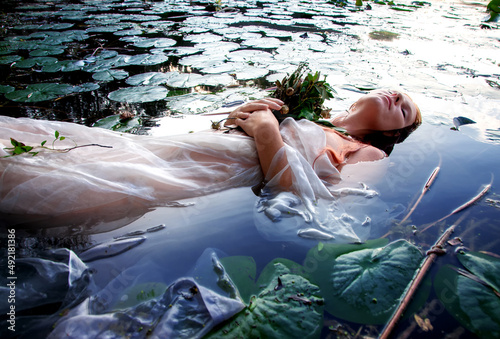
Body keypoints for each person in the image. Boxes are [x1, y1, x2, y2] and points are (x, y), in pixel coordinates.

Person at [0, 89, 421, 236]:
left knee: (59, 178)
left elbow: (311, 205)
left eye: (403, 110)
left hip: (206, 171)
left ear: (390, 135)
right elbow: (243, 133)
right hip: (188, 148)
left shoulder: (371, 154)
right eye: (398, 94)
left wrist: (266, 132)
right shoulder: (318, 119)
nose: (397, 99)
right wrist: (241, 116)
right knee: (64, 148)